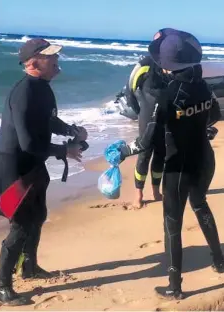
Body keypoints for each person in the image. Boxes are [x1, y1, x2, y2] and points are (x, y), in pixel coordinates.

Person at [118, 31, 224, 299]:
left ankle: (174, 286)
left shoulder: (168, 95)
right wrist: (202, 129)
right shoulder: (203, 86)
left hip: (179, 167)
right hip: (204, 160)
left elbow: (147, 141)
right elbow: (214, 115)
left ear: (166, 64)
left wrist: (123, 151)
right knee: (200, 205)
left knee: (172, 224)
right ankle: (219, 261)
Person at [0, 38, 88, 305]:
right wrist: (64, 151)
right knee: (20, 226)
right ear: (33, 63)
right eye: (51, 57)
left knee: (38, 216)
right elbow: (28, 142)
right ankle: (3, 286)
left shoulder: (42, 88)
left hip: (33, 164)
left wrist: (70, 130)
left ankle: (30, 267)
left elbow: (49, 119)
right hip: (15, 168)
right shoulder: (24, 92)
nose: (57, 60)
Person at [123, 28, 180, 207]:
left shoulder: (173, 64)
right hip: (147, 113)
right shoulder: (145, 63)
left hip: (166, 113)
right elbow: (130, 88)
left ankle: (155, 189)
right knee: (144, 152)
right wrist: (137, 110)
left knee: (161, 153)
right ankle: (138, 193)